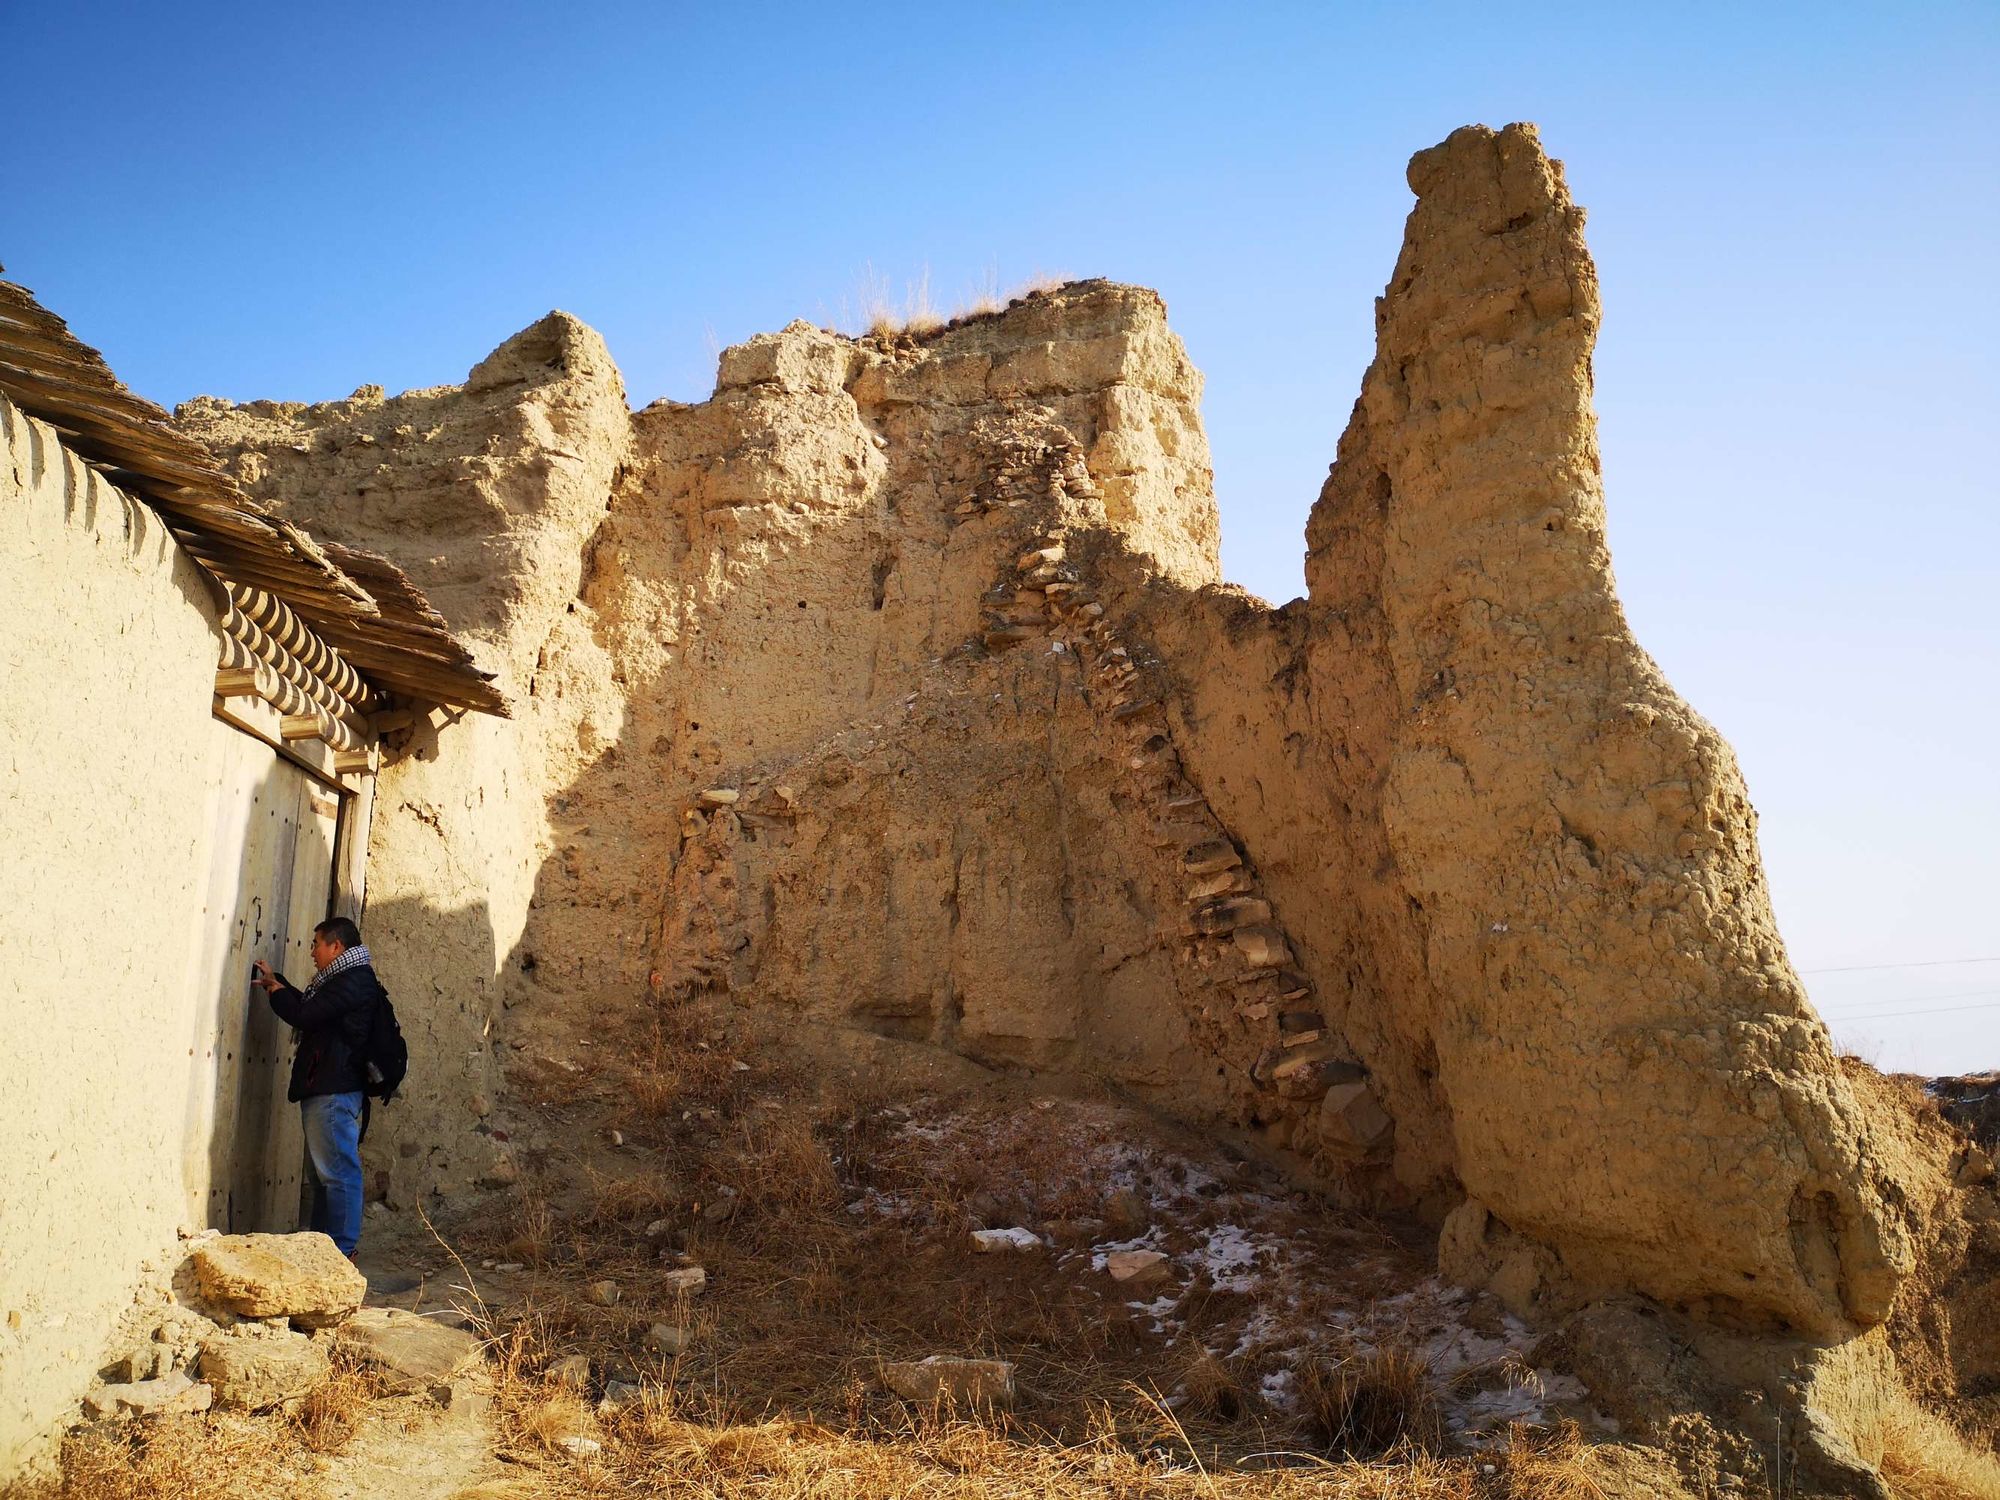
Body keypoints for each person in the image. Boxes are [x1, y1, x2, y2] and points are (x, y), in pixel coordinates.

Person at [251, 917, 385, 1257]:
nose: (312, 952)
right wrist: (277, 984)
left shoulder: (352, 980)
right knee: (326, 1174)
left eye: (316, 944)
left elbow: (306, 1016)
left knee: (338, 1174)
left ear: (335, 946)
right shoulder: (345, 979)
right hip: (329, 1085)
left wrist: (278, 993)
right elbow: (314, 1010)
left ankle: (340, 1251)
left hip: (333, 1088)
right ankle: (324, 1249)